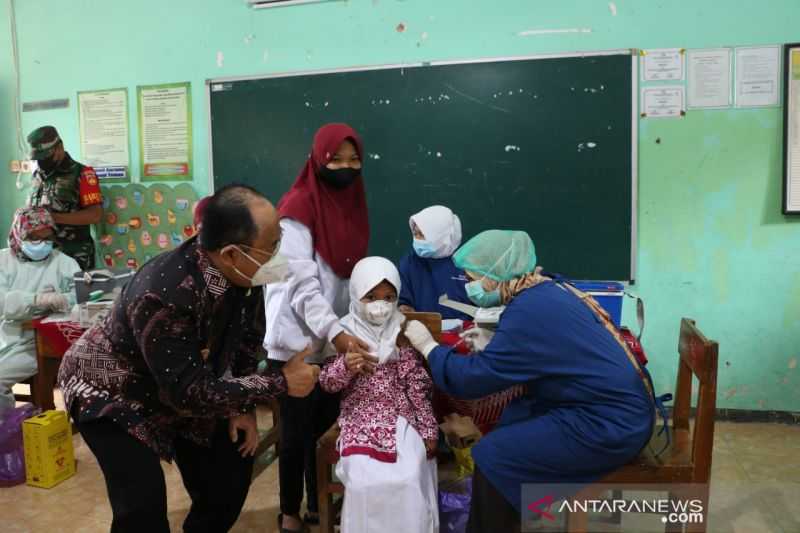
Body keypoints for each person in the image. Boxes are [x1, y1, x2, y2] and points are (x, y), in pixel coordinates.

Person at [57, 185, 320, 533]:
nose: (278, 254)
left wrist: (241, 408)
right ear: (230, 253)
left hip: (179, 383)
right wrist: (281, 382)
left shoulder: (248, 274)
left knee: (229, 474)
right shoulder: (163, 294)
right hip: (111, 391)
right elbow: (190, 393)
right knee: (142, 506)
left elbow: (247, 341)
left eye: (279, 240)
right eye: (271, 246)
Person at [404, 230, 656, 533]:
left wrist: (429, 348)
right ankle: (515, 518)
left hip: (611, 425)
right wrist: (497, 341)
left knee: (492, 455)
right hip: (612, 407)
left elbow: (471, 380)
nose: (469, 286)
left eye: (473, 278)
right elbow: (545, 347)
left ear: (495, 276)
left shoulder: (530, 309)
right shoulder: (548, 289)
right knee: (511, 418)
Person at [264, 123, 372, 533]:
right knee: (295, 436)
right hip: (295, 343)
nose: (345, 168)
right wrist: (336, 333)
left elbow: (348, 279)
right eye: (336, 159)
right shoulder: (298, 206)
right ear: (317, 159)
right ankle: (290, 512)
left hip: (333, 342)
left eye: (353, 159)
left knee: (326, 431)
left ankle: (318, 504)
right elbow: (300, 284)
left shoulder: (351, 203)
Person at [319, 257, 439, 533]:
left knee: (408, 475)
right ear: (356, 294)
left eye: (389, 297)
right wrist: (345, 367)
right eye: (371, 296)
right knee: (364, 482)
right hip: (359, 415)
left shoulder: (403, 331)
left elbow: (417, 385)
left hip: (401, 415)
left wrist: (429, 428)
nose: (380, 304)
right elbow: (327, 383)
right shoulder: (343, 333)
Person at [0, 207, 80, 410]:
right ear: (19, 234)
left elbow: (81, 299)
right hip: (6, 335)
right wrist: (36, 300)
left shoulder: (65, 264)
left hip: (39, 343)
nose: (42, 244)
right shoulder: (3, 261)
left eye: (47, 238)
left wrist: (64, 299)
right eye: (34, 238)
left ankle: (7, 433)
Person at [26, 126, 104, 270]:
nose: (42, 162)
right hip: (42, 255)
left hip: (75, 256)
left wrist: (52, 217)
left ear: (59, 147)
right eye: (38, 158)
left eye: (46, 156)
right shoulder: (37, 175)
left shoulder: (83, 173)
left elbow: (95, 215)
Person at [398, 205, 472, 322]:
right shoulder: (409, 262)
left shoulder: (466, 262)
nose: (417, 239)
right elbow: (403, 304)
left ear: (441, 235)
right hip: (423, 332)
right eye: (415, 234)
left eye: (422, 235)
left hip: (465, 333)